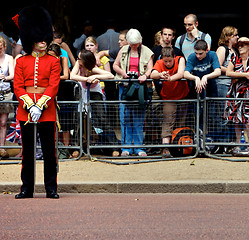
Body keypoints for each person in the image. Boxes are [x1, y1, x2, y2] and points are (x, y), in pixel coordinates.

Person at [14, 6, 60, 199]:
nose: (44, 42)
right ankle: (27, 188)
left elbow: (53, 86)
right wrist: (29, 105)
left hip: (46, 110)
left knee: (49, 152)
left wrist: (39, 105)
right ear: (31, 40)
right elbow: (18, 86)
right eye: (40, 39)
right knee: (28, 153)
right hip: (26, 110)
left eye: (45, 38)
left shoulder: (53, 61)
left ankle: (51, 188)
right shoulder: (21, 61)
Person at [70, 49, 119, 157]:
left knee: (101, 118)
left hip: (94, 92)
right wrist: (86, 79)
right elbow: (72, 76)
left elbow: (110, 75)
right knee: (79, 119)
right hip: (81, 90)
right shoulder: (78, 65)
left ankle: (114, 146)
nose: (78, 60)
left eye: (79, 58)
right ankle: (77, 147)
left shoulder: (93, 68)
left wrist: (96, 76)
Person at [113, 29, 154, 157]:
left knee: (138, 117)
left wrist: (145, 76)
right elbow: (115, 65)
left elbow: (150, 67)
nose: (133, 46)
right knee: (124, 116)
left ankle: (139, 147)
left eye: (135, 44)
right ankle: (126, 148)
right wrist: (123, 73)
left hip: (140, 87)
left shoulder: (147, 51)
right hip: (125, 86)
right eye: (131, 44)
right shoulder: (124, 50)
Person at [223, 37, 249, 156]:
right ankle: (239, 144)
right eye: (238, 45)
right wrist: (245, 75)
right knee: (236, 120)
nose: (240, 47)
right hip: (235, 92)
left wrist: (238, 76)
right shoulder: (234, 57)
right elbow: (228, 72)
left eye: (243, 45)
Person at [150, 47, 188, 158]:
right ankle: (165, 148)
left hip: (182, 95)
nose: (167, 63)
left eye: (170, 61)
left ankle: (180, 145)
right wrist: (160, 75)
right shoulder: (159, 62)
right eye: (165, 61)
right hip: (168, 97)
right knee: (167, 121)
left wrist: (170, 79)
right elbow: (153, 74)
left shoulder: (180, 59)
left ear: (174, 57)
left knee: (182, 121)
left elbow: (181, 73)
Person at [184, 39, 221, 133]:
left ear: (206, 51)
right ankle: (199, 138)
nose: (198, 56)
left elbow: (218, 71)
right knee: (198, 115)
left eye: (200, 53)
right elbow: (186, 73)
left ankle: (212, 139)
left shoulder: (212, 54)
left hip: (210, 88)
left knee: (212, 115)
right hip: (196, 89)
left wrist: (206, 77)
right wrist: (196, 78)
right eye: (196, 53)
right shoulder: (192, 57)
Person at [0, 36, 14, 159]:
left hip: (6, 92)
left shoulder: (9, 58)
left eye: (1, 47)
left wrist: (5, 77)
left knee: (4, 122)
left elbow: (12, 74)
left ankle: (2, 147)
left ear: (4, 47)